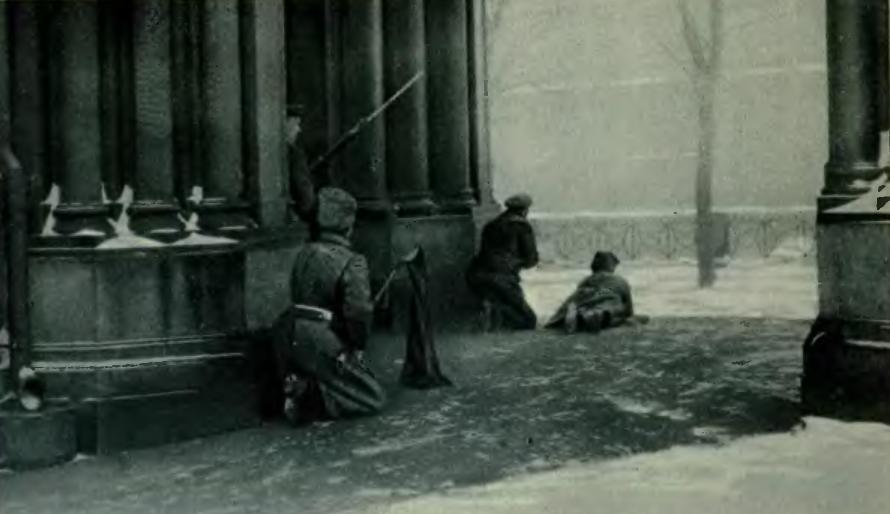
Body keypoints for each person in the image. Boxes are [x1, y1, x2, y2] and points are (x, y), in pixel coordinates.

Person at [270, 187, 386, 424]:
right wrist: (357, 345)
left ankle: (300, 382)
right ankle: (311, 395)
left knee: (326, 371)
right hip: (321, 336)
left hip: (288, 330)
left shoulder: (304, 252)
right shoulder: (352, 261)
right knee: (372, 398)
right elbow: (358, 312)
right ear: (349, 225)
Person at [466, 193, 539, 330]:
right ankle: (497, 311)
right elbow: (531, 260)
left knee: (503, 299)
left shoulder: (491, 225)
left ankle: (492, 307)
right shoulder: (522, 227)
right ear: (525, 210)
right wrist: (518, 263)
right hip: (502, 279)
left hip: (476, 275)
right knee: (529, 320)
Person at [546, 251, 645, 333]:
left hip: (582, 296)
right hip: (606, 293)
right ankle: (598, 314)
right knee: (613, 306)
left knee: (579, 304)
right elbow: (629, 311)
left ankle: (577, 314)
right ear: (610, 266)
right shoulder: (619, 280)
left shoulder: (586, 280)